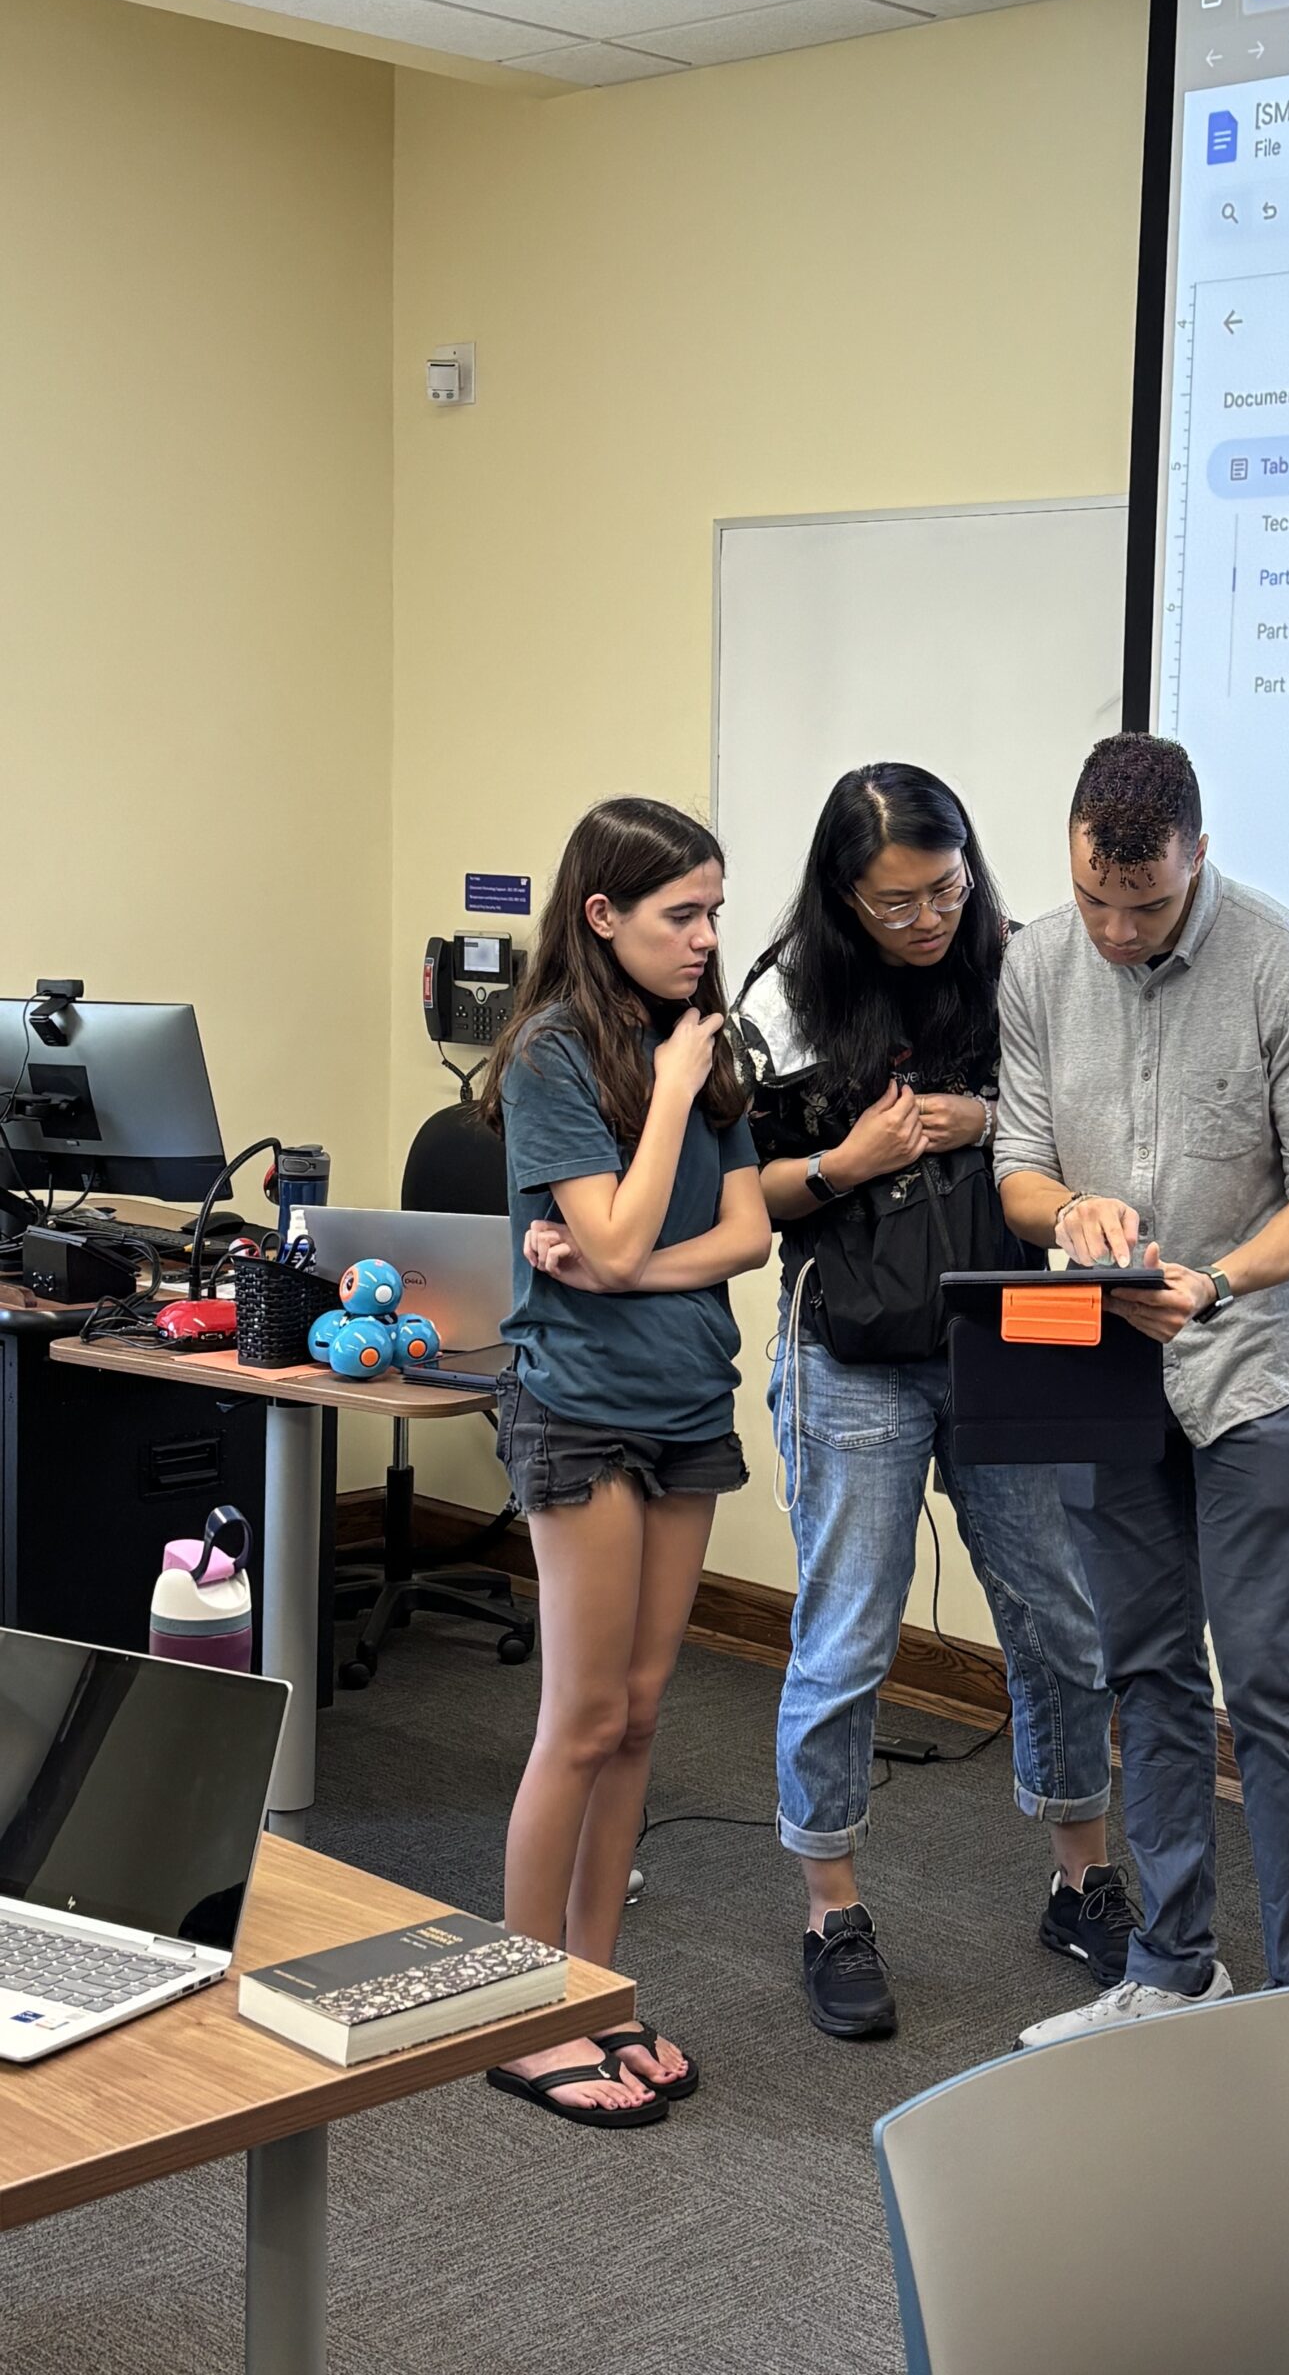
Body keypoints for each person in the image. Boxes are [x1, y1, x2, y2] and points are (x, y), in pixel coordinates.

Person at [735, 763, 1130, 2040]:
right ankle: (830, 1907)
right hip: (851, 1345)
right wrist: (843, 1162)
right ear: (843, 896)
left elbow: (1091, 1124)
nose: (926, 920)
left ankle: (1082, 1879)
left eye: (945, 889)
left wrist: (985, 1118)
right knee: (850, 1629)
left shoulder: (1016, 967)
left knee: (1058, 1614)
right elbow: (742, 1199)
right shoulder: (786, 997)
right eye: (895, 902)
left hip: (1008, 1328)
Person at [993, 732, 1289, 2046]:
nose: (1110, 928)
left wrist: (1213, 1281)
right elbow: (1020, 1168)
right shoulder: (1037, 962)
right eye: (1092, 896)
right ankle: (1169, 1964)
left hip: (1259, 1366)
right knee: (1144, 1670)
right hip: (1107, 1366)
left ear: (1196, 858)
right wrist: (1072, 1210)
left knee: (1268, 1681)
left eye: (1142, 905)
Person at [477, 796, 771, 2124]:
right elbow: (607, 1235)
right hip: (579, 1409)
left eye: (715, 909)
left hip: (683, 1409)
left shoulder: (712, 1045)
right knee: (583, 1718)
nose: (708, 937)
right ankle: (519, 2005)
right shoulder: (553, 1052)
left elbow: (747, 1231)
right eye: (681, 915)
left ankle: (595, 1985)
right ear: (603, 916)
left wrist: (626, 1262)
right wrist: (664, 1107)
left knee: (647, 1711)